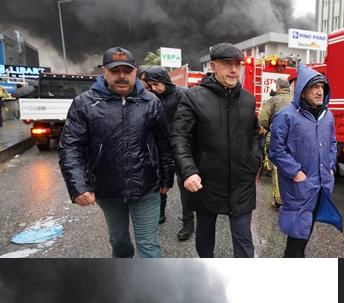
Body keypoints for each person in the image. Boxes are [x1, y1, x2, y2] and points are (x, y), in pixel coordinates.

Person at [59, 46, 174, 258]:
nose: (121, 76)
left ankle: (152, 289)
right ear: (104, 71)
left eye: (127, 71)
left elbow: (163, 143)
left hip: (146, 186)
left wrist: (166, 179)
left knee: (148, 245)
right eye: (115, 71)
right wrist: (78, 187)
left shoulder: (150, 102)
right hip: (107, 189)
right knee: (119, 243)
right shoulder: (84, 103)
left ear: (135, 72)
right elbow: (70, 148)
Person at [171, 43, 261, 258]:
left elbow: (254, 134)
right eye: (226, 64)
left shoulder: (247, 99)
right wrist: (189, 171)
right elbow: (180, 136)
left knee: (243, 238)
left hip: (241, 182)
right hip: (206, 182)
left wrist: (254, 160)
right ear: (213, 66)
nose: (233, 70)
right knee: (205, 234)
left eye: (237, 65)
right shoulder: (194, 97)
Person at [268, 65, 342, 258]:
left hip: (321, 184)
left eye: (322, 87)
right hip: (298, 186)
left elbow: (332, 142)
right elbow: (276, 151)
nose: (319, 91)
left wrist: (331, 165)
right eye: (314, 87)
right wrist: (296, 173)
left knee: (306, 229)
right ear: (302, 90)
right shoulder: (286, 116)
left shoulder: (328, 115)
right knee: (296, 235)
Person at [141, 66, 193, 239]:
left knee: (184, 184)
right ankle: (160, 214)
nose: (153, 88)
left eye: (156, 84)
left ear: (164, 80)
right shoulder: (151, 98)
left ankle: (188, 223)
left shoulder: (183, 94)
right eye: (150, 85)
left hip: (182, 146)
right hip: (160, 147)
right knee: (160, 181)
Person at [259, 77, 293, 209]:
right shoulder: (296, 101)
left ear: (278, 87)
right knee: (292, 166)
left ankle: (278, 201)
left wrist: (270, 127)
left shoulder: (273, 101)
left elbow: (262, 120)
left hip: (276, 138)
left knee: (277, 168)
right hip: (293, 139)